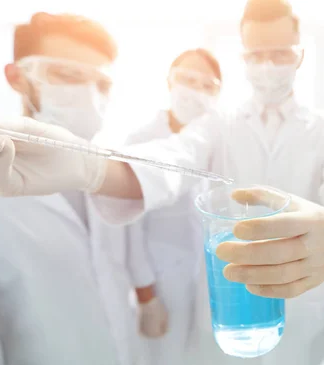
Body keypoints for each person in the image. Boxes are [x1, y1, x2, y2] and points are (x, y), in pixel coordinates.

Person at [0, 1, 324, 363]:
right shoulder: (218, 123)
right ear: (243, 58)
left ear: (300, 56)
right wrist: (92, 169)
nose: (270, 64)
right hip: (226, 318)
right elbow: (174, 157)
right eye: (258, 54)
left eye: (281, 53)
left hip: (300, 321)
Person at [0, 13, 141, 365]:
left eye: (102, 84)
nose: (90, 96)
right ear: (17, 77)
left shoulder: (109, 170)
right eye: (67, 75)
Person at [124, 48, 222, 364]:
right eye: (186, 79)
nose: (194, 90)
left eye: (206, 84)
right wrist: (146, 294)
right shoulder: (141, 139)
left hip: (205, 277)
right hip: (162, 278)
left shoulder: (217, 141)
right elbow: (131, 226)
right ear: (169, 82)